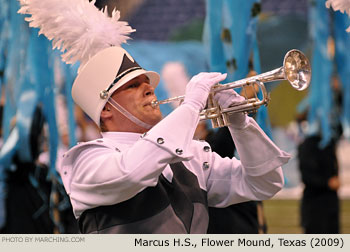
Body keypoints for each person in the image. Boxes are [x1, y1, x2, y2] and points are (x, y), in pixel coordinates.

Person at [58, 46, 290, 234]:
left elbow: (264, 183)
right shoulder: (85, 160)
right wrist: (190, 105)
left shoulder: (192, 154)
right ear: (107, 108)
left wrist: (240, 125)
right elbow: (132, 171)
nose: (149, 87)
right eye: (133, 85)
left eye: (146, 82)